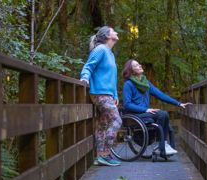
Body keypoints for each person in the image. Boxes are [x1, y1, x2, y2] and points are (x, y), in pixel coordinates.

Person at [122, 59, 192, 158]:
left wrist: (178, 103)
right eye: (137, 65)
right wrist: (145, 110)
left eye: (139, 64)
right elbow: (127, 105)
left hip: (144, 113)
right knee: (162, 114)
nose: (140, 65)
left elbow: (160, 95)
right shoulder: (128, 85)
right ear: (132, 71)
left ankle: (163, 144)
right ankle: (161, 145)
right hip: (135, 114)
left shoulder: (145, 83)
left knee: (164, 115)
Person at [80, 26, 122, 166]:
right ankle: (105, 153)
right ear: (108, 36)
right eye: (113, 31)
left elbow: (112, 77)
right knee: (116, 121)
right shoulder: (100, 49)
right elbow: (88, 66)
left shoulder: (110, 53)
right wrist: (85, 77)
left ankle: (100, 156)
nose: (116, 32)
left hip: (108, 94)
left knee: (103, 124)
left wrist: (115, 94)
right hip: (99, 92)